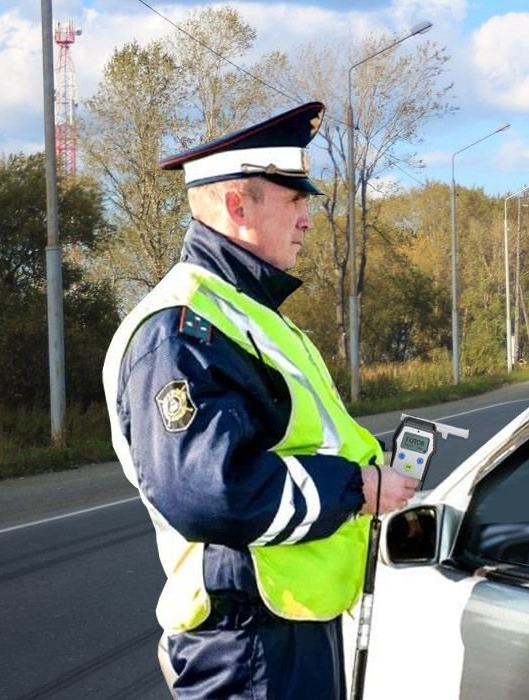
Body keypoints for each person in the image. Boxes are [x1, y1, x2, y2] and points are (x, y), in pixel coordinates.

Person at [102, 102, 419, 699]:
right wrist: (356, 488)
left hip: (286, 621)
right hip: (247, 637)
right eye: (294, 200)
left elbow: (300, 440)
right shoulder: (183, 327)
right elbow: (210, 490)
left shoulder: (247, 315)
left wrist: (367, 474)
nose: (307, 219)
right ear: (237, 205)